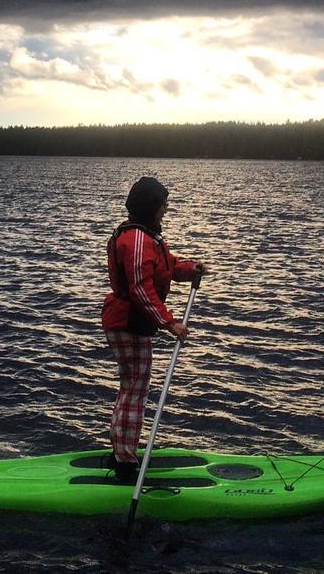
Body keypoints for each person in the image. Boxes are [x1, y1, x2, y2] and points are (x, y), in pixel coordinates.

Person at [102, 176, 207, 482]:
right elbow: (140, 288)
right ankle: (125, 462)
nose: (166, 210)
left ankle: (121, 451)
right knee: (135, 389)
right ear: (151, 206)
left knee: (132, 387)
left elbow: (167, 266)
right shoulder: (136, 240)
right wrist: (169, 322)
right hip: (128, 322)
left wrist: (190, 269)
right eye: (163, 204)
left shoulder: (148, 238)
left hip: (134, 321)